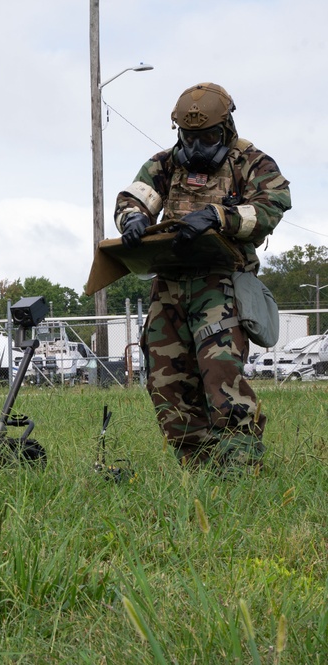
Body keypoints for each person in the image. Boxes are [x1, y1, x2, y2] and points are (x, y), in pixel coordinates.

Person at [113, 82, 291, 472]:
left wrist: (219, 217)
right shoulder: (165, 164)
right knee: (167, 381)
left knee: (222, 377)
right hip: (171, 284)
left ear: (226, 128)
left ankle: (241, 466)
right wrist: (134, 220)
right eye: (188, 137)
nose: (196, 147)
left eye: (207, 136)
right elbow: (132, 199)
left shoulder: (252, 162)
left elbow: (273, 204)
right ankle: (198, 468)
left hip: (221, 283)